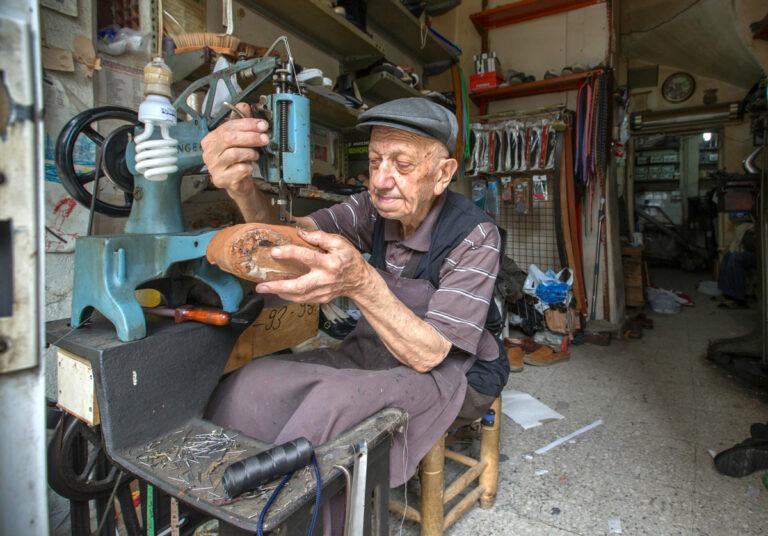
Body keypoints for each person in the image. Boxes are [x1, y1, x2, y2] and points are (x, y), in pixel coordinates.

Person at [200, 97, 509, 497]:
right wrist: (243, 190)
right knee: (248, 382)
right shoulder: (373, 208)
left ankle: (289, 512)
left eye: (402, 165)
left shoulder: (476, 235)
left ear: (442, 174)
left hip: (459, 373)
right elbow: (292, 239)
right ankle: (223, 498)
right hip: (376, 351)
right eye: (376, 161)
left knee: (332, 409)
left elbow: (432, 355)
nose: (380, 180)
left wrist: (361, 282)